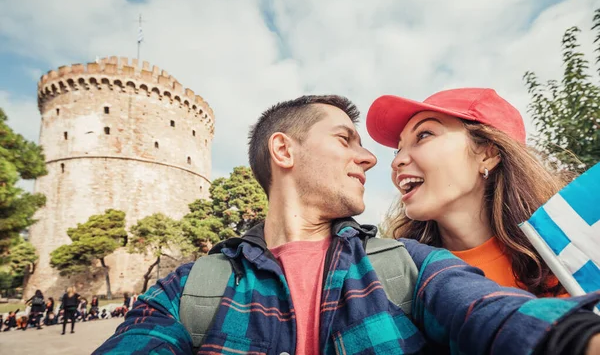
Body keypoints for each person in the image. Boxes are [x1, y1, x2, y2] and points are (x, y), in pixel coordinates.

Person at [94, 95, 600, 355]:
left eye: (421, 137)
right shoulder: (190, 288)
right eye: (346, 139)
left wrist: (577, 338)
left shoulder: (403, 265)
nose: (379, 159)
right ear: (284, 149)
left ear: (488, 152)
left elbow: (491, 314)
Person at [366, 88, 573, 297]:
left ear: (488, 154)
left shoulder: (569, 254)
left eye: (424, 135)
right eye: (398, 149)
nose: (396, 162)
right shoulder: (395, 275)